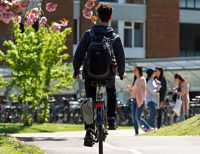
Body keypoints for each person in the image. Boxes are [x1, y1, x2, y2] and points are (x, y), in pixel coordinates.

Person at [73, 3, 125, 147]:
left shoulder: (88, 34)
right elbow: (121, 58)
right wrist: (120, 74)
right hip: (108, 75)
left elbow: (79, 54)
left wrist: (76, 70)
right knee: (111, 91)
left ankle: (89, 129)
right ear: (110, 17)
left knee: (89, 98)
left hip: (90, 74)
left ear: (97, 16)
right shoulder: (115, 37)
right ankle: (112, 119)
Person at [127, 66, 152, 135]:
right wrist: (131, 89)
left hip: (140, 101)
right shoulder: (136, 79)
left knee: (137, 117)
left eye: (135, 70)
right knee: (134, 118)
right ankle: (136, 133)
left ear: (139, 71)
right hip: (134, 100)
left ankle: (149, 128)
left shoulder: (142, 79)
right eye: (134, 70)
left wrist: (140, 101)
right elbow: (135, 91)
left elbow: (143, 91)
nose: (134, 71)